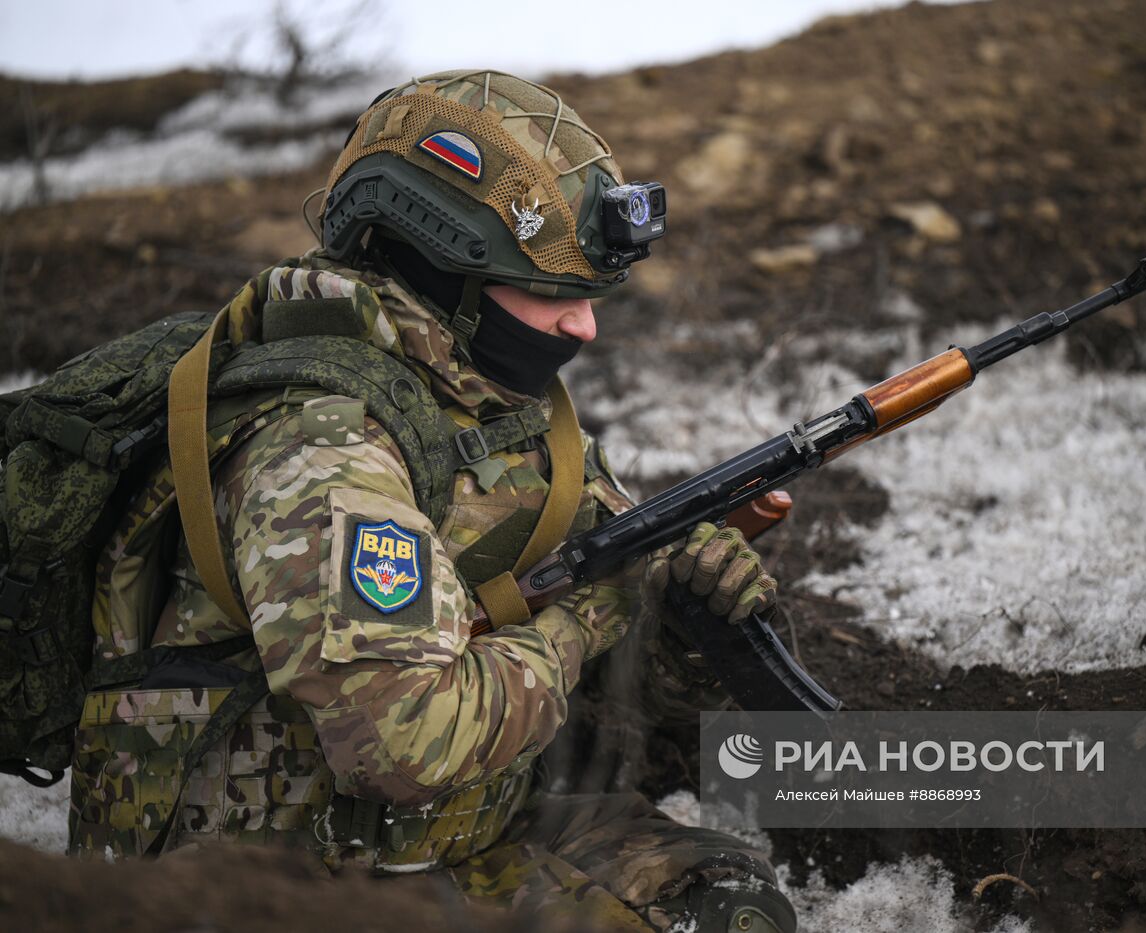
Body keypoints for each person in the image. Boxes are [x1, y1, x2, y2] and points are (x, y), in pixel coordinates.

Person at [67, 70, 796, 932]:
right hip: (275, 879)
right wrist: (591, 618)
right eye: (556, 292)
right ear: (441, 267)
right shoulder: (320, 448)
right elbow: (404, 741)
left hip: (462, 829)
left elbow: (639, 678)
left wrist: (692, 617)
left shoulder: (492, 408)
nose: (584, 329)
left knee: (733, 906)